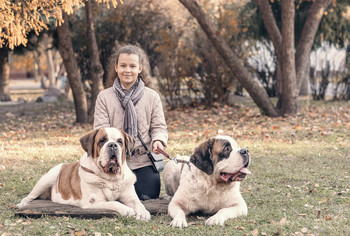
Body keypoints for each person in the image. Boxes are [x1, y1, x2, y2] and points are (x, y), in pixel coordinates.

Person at [93, 43, 168, 200]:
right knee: (111, 196)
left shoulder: (152, 96)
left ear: (140, 68)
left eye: (132, 66)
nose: (127, 70)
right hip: (113, 158)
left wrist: (158, 140)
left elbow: (159, 127)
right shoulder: (104, 97)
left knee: (148, 196)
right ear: (116, 67)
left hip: (142, 160)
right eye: (123, 66)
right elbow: (99, 130)